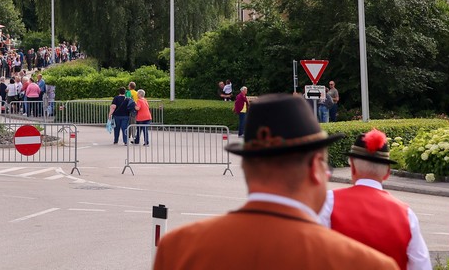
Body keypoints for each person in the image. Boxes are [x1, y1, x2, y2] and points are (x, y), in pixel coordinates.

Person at [153, 94, 397, 270]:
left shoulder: (179, 248)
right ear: (314, 167)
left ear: (247, 167)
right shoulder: (366, 264)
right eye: (326, 166)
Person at [319, 129, 431, 270]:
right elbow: (422, 265)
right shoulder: (407, 215)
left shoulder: (328, 202)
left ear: (352, 168)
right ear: (387, 172)